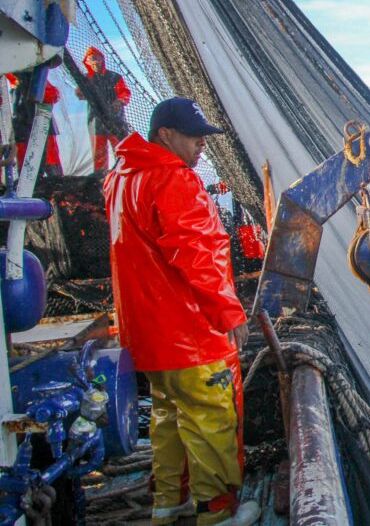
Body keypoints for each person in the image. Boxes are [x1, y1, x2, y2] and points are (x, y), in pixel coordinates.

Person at [103, 97, 259, 526]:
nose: (201, 146)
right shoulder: (173, 179)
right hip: (188, 334)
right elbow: (197, 254)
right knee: (210, 415)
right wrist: (229, 312)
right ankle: (217, 512)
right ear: (165, 135)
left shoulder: (120, 177)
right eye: (194, 136)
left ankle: (168, 504)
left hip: (149, 337)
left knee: (168, 416)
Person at [77, 46, 131, 171]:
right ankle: (102, 179)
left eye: (97, 58)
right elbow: (80, 94)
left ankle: (126, 172)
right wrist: (80, 92)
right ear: (87, 62)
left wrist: (119, 101)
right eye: (91, 59)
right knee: (99, 153)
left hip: (115, 119)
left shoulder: (115, 77)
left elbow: (125, 92)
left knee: (121, 149)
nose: (95, 62)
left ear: (103, 59)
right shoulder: (85, 79)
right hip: (95, 120)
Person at [6, 73, 63, 177]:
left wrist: (39, 93)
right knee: (24, 161)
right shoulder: (15, 87)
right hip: (21, 128)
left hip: (43, 124)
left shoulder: (37, 80)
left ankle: (57, 185)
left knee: (50, 159)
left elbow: (53, 95)